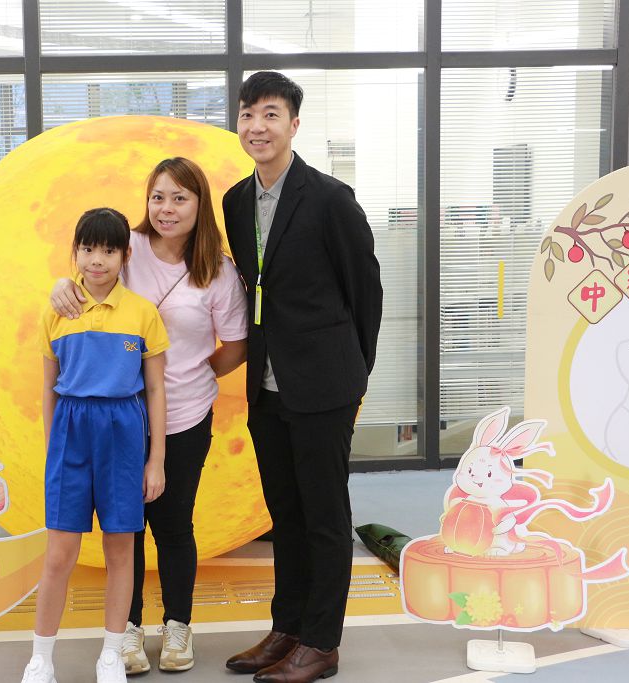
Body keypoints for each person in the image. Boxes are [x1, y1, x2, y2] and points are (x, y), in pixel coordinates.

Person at [50, 158, 248, 674]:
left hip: (184, 414)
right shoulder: (129, 246)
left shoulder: (218, 269)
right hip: (120, 416)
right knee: (126, 527)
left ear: (200, 205)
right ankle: (129, 630)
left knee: (174, 523)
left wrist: (195, 371)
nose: (167, 208)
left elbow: (236, 345)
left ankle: (178, 625)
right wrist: (59, 286)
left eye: (180, 198)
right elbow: (88, 276)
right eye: (158, 197)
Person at [221, 72, 383, 683]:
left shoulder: (331, 199)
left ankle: (321, 643)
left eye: (270, 114)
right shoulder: (236, 201)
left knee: (324, 519)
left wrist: (353, 373)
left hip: (323, 385)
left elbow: (365, 290)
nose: (257, 126)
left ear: (293, 124)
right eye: (247, 115)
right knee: (284, 516)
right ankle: (286, 629)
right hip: (266, 384)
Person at [22, 208, 170, 683]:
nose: (97, 260)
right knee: (59, 553)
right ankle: (40, 658)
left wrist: (156, 460)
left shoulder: (142, 313)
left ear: (126, 256)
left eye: (109, 250)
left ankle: (110, 654)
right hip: (71, 430)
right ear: (76, 251)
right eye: (88, 249)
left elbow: (156, 390)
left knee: (120, 549)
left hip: (123, 431)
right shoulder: (57, 310)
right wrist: (53, 448)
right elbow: (48, 387)